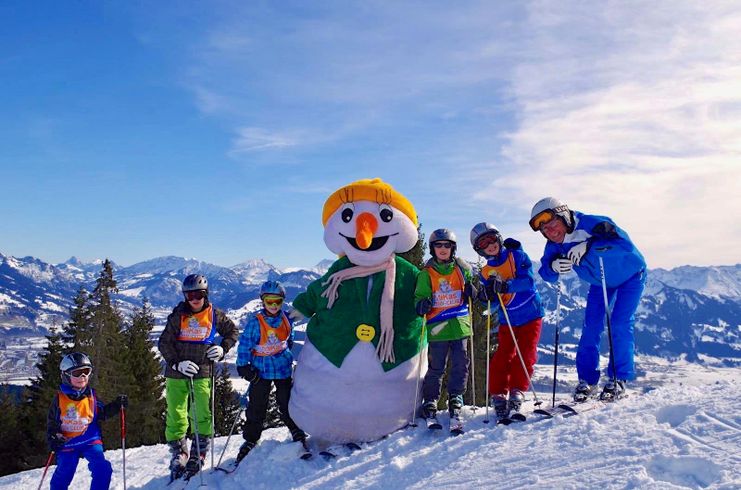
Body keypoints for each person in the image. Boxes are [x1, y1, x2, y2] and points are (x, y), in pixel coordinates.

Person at [529, 197, 646, 401]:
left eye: (553, 224)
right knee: (591, 327)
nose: (551, 231)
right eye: (545, 230)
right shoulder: (555, 244)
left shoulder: (591, 223)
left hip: (631, 276)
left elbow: (624, 245)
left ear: (563, 216)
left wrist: (590, 245)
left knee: (619, 323)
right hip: (600, 283)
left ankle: (618, 379)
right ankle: (587, 381)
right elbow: (546, 271)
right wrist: (554, 266)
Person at [157, 274, 239, 479]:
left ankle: (199, 451)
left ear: (206, 294)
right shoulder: (179, 315)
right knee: (175, 412)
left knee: (202, 411)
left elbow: (232, 332)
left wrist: (222, 348)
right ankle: (179, 451)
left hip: (203, 370)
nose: (194, 299)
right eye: (189, 295)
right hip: (177, 372)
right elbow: (164, 343)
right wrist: (176, 363)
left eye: (199, 294)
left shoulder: (214, 315)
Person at [470, 222, 544, 421]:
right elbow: (493, 299)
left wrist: (506, 285)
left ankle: (517, 392)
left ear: (499, 238)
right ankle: (499, 394)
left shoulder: (517, 256)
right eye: (484, 243)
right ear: (479, 250)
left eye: (492, 239)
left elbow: (528, 281)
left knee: (526, 353)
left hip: (530, 314)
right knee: (503, 356)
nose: (490, 245)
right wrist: (485, 296)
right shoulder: (485, 272)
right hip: (508, 319)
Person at [235, 280, 305, 462]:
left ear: (282, 301)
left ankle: (296, 429)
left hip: (282, 368)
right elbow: (245, 345)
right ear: (262, 301)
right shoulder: (255, 322)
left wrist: (285, 355)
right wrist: (244, 365)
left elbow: (289, 340)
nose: (273, 306)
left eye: (277, 302)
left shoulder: (286, 320)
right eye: (269, 301)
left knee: (287, 401)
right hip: (261, 370)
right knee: (257, 405)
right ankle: (251, 439)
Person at [414, 229, 474, 426]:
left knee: (460, 364)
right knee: (436, 367)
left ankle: (456, 396)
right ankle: (430, 399)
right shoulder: (427, 273)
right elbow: (420, 295)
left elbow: (474, 288)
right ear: (432, 248)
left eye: (446, 245)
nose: (442, 249)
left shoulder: (462, 269)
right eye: (438, 245)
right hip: (438, 327)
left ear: (452, 248)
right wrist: (421, 303)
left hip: (459, 325)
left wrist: (473, 291)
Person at [47, 352, 127, 490]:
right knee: (65, 471)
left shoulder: (91, 395)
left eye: (86, 372)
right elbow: (52, 423)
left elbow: (101, 413)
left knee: (102, 469)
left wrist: (116, 405)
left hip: (89, 439)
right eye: (77, 373)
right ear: (66, 375)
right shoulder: (59, 399)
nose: (82, 377)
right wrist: (53, 437)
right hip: (68, 442)